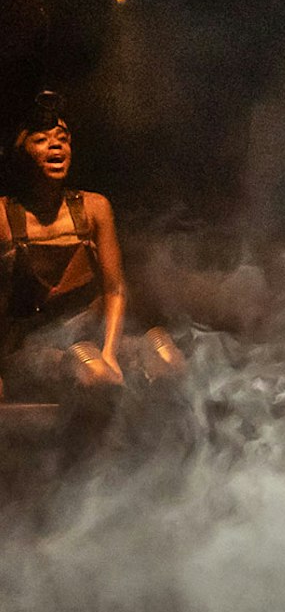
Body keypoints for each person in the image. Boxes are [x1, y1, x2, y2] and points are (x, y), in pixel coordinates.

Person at [0, 91, 182, 404]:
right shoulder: (4, 215)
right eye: (41, 140)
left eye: (62, 139)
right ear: (21, 150)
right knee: (91, 369)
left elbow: (115, 289)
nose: (55, 146)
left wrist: (110, 352)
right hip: (33, 347)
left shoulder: (94, 208)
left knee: (165, 356)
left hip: (92, 336)